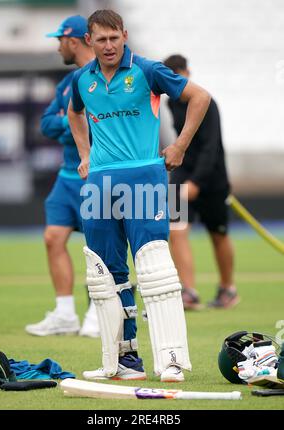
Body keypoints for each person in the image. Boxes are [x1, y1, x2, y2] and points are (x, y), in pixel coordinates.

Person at [68, 10, 210, 382]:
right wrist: (85, 155)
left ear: (124, 35)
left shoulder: (147, 70)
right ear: (90, 42)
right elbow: (74, 114)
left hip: (145, 177)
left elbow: (200, 97)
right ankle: (123, 360)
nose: (109, 45)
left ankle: (172, 361)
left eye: (114, 38)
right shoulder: (82, 79)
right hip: (99, 183)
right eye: (101, 39)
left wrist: (179, 145)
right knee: (106, 274)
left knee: (155, 268)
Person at [25, 15, 100, 337]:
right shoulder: (67, 83)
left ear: (73, 40)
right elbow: (45, 123)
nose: (58, 48)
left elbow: (102, 125)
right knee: (53, 238)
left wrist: (69, 120)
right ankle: (65, 313)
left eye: (60, 41)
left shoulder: (102, 77)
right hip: (67, 176)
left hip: (96, 175)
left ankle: (99, 312)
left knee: (101, 246)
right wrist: (73, 122)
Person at [163, 54, 239, 310]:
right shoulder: (171, 103)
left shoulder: (207, 102)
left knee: (218, 233)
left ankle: (228, 288)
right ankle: (188, 291)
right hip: (182, 173)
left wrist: (197, 182)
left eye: (178, 76)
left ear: (188, 73)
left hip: (212, 178)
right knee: (177, 229)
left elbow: (211, 146)